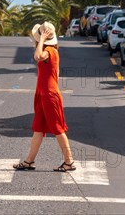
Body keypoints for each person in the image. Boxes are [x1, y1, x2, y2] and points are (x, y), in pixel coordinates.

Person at [13, 21, 76, 172]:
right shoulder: (51, 51)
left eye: (38, 37)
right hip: (43, 94)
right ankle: (29, 161)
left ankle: (69, 161)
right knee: (38, 128)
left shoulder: (50, 51)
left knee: (58, 128)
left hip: (49, 95)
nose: (36, 40)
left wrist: (41, 40)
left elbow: (37, 56)